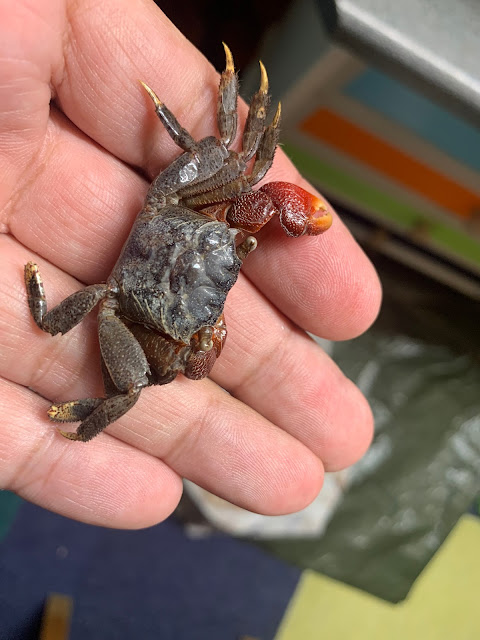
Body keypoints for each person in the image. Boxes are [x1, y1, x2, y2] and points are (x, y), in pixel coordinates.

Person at [0, 0, 381, 528]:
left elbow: (165, 369)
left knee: (233, 164)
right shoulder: (220, 232)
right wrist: (205, 335)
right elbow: (177, 369)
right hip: (145, 259)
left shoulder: (191, 233)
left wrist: (198, 341)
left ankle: (76, 404)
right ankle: (73, 400)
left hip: (145, 261)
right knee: (235, 161)